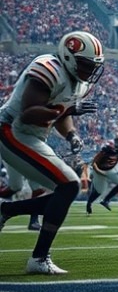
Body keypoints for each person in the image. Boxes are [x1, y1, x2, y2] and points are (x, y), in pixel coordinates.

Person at [0, 31, 104, 274]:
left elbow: (62, 113)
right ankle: (38, 258)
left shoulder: (80, 82)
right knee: (69, 185)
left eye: (93, 67)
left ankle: (7, 210)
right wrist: (67, 110)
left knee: (66, 190)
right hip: (11, 129)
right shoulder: (48, 68)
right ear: (69, 56)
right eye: (86, 65)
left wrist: (71, 135)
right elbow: (29, 112)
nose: (89, 72)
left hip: (33, 136)